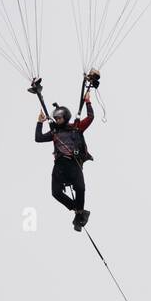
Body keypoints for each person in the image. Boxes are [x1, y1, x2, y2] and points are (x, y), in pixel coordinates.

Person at [35, 94, 94, 231]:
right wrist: (39, 122)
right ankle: (78, 210)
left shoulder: (76, 127)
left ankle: (79, 214)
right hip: (60, 165)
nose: (56, 120)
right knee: (56, 192)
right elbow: (38, 138)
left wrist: (88, 101)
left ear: (65, 117)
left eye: (59, 117)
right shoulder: (54, 132)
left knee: (80, 188)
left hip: (73, 163)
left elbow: (90, 117)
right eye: (55, 118)